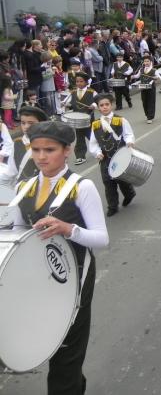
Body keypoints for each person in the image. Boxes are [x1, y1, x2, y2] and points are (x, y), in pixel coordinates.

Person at [10, 120, 109, 393]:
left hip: (76, 275)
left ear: (67, 150)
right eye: (36, 149)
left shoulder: (81, 187)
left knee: (67, 349)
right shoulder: (24, 188)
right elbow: (20, 233)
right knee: (48, 339)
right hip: (41, 277)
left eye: (49, 150)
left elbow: (102, 238)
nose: (41, 157)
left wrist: (69, 229)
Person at [88, 93, 136, 217]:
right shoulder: (95, 124)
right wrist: (97, 152)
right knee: (108, 182)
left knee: (122, 180)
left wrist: (130, 142)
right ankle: (112, 206)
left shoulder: (120, 120)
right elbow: (93, 143)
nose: (104, 107)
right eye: (101, 105)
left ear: (112, 105)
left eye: (107, 104)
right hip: (105, 158)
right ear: (98, 107)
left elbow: (128, 134)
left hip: (120, 156)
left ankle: (129, 194)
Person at [6, 106, 48, 181]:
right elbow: (11, 171)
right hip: (21, 186)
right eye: (23, 123)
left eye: (31, 123)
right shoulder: (17, 142)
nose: (26, 127)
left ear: (41, 124)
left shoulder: (50, 145)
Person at [65, 72, 97, 165]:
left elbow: (98, 100)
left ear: (86, 82)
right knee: (79, 137)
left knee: (91, 136)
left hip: (88, 118)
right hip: (77, 119)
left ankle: (100, 149)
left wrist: (93, 105)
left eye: (81, 81)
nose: (79, 83)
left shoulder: (92, 91)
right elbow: (71, 103)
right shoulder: (73, 92)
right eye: (77, 81)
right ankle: (80, 156)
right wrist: (67, 105)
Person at [132, 55, 161, 124]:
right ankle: (147, 115)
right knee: (144, 102)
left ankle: (150, 117)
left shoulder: (154, 70)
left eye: (148, 61)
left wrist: (156, 78)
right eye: (145, 61)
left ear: (151, 62)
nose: (146, 62)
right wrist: (132, 76)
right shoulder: (141, 69)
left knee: (151, 102)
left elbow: (160, 78)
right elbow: (137, 76)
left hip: (151, 88)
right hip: (143, 87)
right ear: (143, 62)